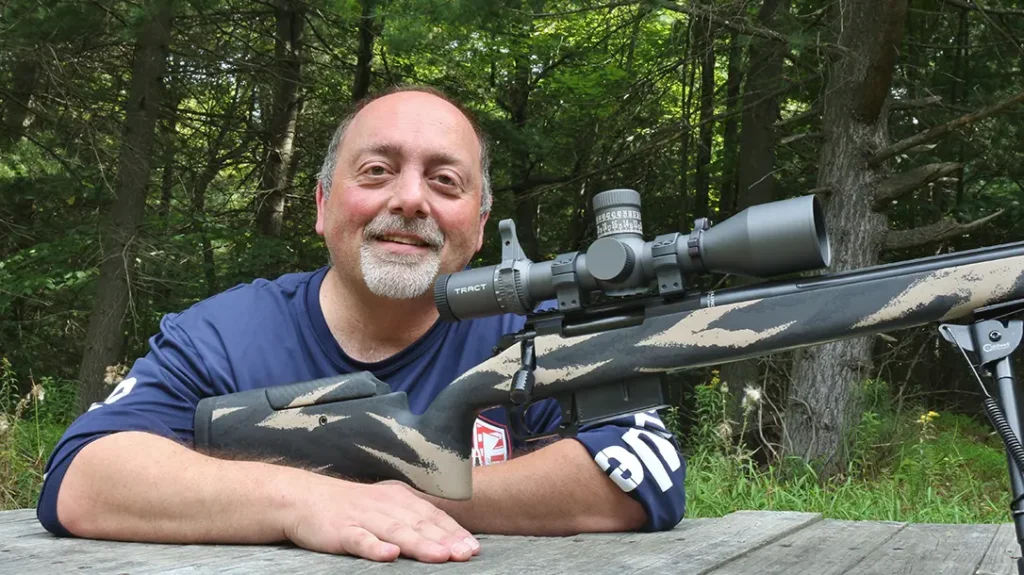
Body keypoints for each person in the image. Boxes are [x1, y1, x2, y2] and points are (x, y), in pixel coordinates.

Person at [37, 86, 687, 564]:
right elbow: (82, 473)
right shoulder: (225, 332)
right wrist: (303, 499)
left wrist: (400, 487)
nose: (409, 198)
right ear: (322, 205)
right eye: (377, 171)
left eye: (445, 179)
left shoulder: (536, 327)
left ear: (480, 225)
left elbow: (641, 469)